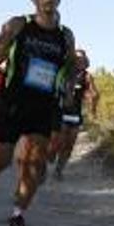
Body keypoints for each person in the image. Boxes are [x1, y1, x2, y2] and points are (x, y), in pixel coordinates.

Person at [0, 0, 77, 226]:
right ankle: (3, 152)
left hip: (43, 106)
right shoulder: (19, 24)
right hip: (14, 102)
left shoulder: (65, 35)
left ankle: (17, 215)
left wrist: (69, 90)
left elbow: (69, 67)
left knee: (35, 164)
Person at [47, 49, 98, 181]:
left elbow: (93, 92)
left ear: (86, 62)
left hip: (75, 113)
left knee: (69, 145)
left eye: (82, 59)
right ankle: (48, 158)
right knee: (58, 142)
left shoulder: (87, 76)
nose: (79, 61)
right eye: (76, 59)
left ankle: (59, 170)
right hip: (60, 111)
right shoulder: (64, 73)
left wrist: (93, 101)